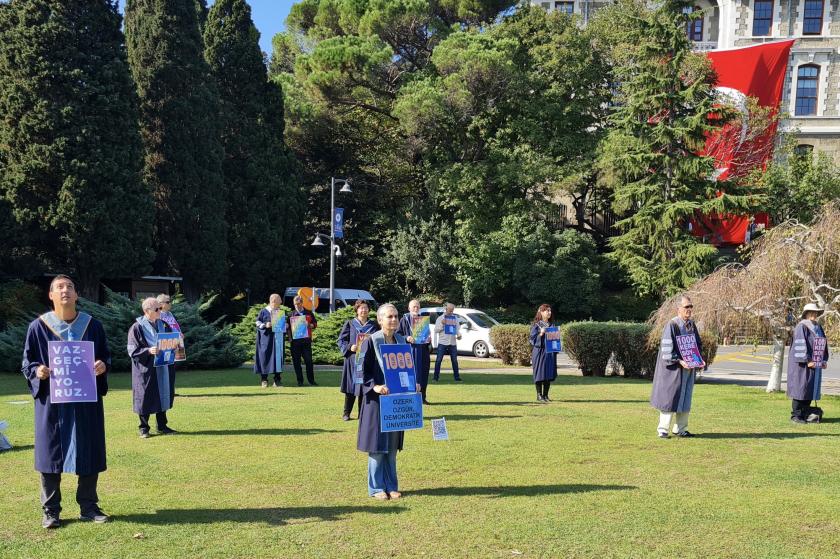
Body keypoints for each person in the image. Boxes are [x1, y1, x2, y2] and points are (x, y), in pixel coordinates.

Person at [21, 275, 111, 528]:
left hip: (85, 401)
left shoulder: (93, 325)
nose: (65, 291)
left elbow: (105, 356)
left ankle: (89, 507)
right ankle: (51, 511)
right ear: (51, 295)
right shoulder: (38, 327)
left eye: (70, 287)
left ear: (76, 295)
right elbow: (27, 363)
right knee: (50, 452)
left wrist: (102, 366)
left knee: (89, 449)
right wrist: (37, 371)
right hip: (52, 401)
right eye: (59, 287)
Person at [357, 303, 420, 500]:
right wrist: (373, 386)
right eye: (389, 317)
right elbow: (359, 371)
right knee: (377, 447)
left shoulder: (401, 342)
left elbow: (406, 369)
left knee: (392, 448)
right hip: (376, 402)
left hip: (395, 402)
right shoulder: (370, 341)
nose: (394, 320)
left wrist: (413, 384)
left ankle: (392, 485)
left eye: (396, 316)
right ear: (380, 320)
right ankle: (376, 488)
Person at [650, 295, 704, 438]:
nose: (690, 309)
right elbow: (666, 350)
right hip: (673, 370)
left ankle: (681, 429)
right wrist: (679, 361)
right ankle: (662, 429)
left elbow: (697, 345)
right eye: (687, 307)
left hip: (688, 369)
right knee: (669, 399)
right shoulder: (672, 325)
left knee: (685, 398)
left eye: (691, 306)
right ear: (678, 309)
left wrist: (699, 360)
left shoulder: (691, 324)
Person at [128, 297, 177, 438]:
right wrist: (148, 351)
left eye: (160, 308)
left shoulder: (164, 325)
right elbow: (132, 351)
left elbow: (170, 341)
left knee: (164, 394)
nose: (160, 311)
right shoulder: (136, 327)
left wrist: (174, 346)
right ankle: (144, 428)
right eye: (157, 309)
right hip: (146, 368)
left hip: (163, 366)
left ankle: (162, 425)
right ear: (146, 311)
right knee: (145, 396)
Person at [787, 303, 830, 424]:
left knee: (809, 390)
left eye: (815, 312)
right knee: (801, 389)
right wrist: (808, 360)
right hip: (802, 365)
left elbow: (823, 344)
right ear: (805, 314)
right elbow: (800, 345)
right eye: (811, 312)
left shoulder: (818, 327)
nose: (813, 314)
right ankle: (796, 416)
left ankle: (805, 414)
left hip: (815, 364)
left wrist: (823, 360)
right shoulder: (802, 326)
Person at [337, 300, 379, 420]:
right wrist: (350, 347)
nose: (363, 310)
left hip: (366, 360)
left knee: (363, 387)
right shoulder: (350, 324)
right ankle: (346, 413)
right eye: (361, 308)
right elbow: (341, 340)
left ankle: (362, 414)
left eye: (365, 308)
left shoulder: (373, 325)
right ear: (357, 310)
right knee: (350, 388)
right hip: (352, 361)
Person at [399, 299, 431, 404]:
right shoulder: (404, 320)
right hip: (410, 350)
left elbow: (427, 334)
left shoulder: (423, 320)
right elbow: (398, 334)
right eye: (414, 307)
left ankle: (422, 397)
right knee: (411, 374)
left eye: (417, 306)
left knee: (423, 373)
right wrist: (407, 337)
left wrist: (429, 338)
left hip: (423, 350)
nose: (416, 308)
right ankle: (411, 397)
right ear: (409, 308)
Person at [529, 304, 558, 402]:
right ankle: (539, 395)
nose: (549, 312)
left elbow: (554, 341)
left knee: (548, 373)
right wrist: (540, 334)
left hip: (549, 352)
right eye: (547, 311)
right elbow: (532, 340)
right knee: (540, 373)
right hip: (539, 352)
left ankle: (545, 395)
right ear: (541, 312)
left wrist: (556, 334)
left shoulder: (552, 325)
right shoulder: (536, 325)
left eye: (550, 311)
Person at [255, 294, 284, 388]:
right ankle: (264, 380)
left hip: (277, 340)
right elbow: (257, 322)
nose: (281, 302)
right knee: (265, 358)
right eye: (279, 300)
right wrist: (265, 325)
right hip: (266, 340)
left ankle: (277, 380)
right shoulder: (264, 311)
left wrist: (285, 326)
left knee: (277, 359)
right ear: (274, 301)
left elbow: (282, 325)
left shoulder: (280, 312)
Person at [288, 295, 318, 386]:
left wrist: (310, 325)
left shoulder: (308, 313)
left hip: (306, 341)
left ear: (302, 303)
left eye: (298, 304)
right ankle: (300, 381)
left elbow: (315, 324)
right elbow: (288, 328)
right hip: (295, 342)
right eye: (295, 304)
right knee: (296, 362)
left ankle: (311, 381)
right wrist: (289, 338)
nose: (296, 305)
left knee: (309, 362)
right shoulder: (291, 314)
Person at [157, 293, 182, 397]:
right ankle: (165, 391)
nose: (170, 303)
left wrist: (180, 333)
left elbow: (175, 326)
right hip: (165, 344)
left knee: (172, 368)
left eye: (170, 301)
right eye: (167, 302)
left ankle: (171, 391)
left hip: (174, 343)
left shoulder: (170, 314)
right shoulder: (159, 315)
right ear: (161, 304)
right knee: (165, 369)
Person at [433, 303, 462, 382]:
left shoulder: (455, 318)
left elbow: (457, 329)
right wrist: (442, 324)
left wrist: (459, 336)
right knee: (439, 360)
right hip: (442, 343)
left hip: (452, 343)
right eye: (450, 311)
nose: (451, 312)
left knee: (454, 361)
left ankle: (457, 378)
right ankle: (435, 378)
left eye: (452, 311)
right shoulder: (440, 318)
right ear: (446, 309)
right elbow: (436, 330)